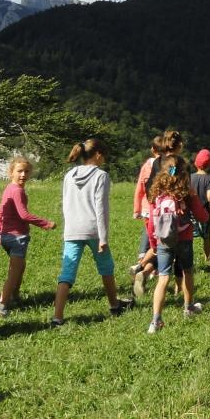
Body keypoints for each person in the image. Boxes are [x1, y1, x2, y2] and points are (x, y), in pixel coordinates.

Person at [52, 138, 132, 327]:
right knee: (106, 268)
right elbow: (100, 208)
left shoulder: (69, 175)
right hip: (94, 231)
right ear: (98, 155)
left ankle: (57, 317)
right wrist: (103, 237)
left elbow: (65, 204)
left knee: (67, 273)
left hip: (72, 229)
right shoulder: (101, 176)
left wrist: (67, 230)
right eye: (103, 155)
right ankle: (114, 305)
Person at [145, 154, 209, 333]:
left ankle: (156, 321)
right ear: (184, 174)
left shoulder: (156, 193)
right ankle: (188, 308)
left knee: (163, 278)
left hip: (163, 241)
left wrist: (153, 243)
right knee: (187, 271)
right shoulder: (187, 193)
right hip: (185, 239)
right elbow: (202, 217)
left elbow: (151, 224)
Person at [0, 156, 56, 317]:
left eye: (26, 171)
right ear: (11, 172)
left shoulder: (9, 188)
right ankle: (1, 306)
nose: (23, 175)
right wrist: (45, 223)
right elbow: (24, 215)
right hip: (17, 238)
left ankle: (15, 296)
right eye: (19, 171)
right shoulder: (18, 191)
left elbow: (0, 210)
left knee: (20, 267)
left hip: (6, 236)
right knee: (13, 273)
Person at [129, 135, 163, 297]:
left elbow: (139, 188)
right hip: (162, 210)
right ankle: (144, 269)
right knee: (160, 245)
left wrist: (136, 209)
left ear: (152, 150)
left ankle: (143, 268)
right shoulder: (168, 165)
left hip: (146, 210)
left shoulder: (146, 165)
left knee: (152, 242)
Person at [190, 148, 210, 267]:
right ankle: (208, 257)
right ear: (209, 164)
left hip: (191, 212)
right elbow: (209, 196)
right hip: (204, 212)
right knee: (206, 236)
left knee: (189, 236)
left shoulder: (190, 177)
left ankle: (188, 258)